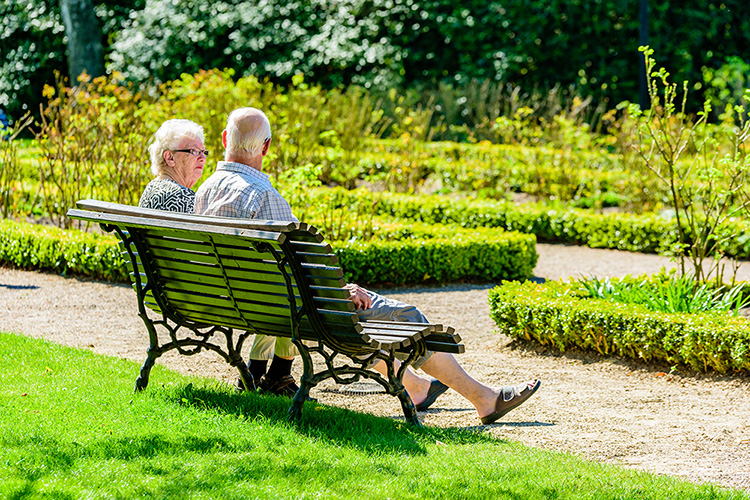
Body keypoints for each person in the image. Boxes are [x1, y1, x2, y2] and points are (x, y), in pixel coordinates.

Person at [195, 107, 541, 425]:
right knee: (404, 317)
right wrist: (342, 291)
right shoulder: (264, 196)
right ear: (266, 147)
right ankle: (485, 399)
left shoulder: (206, 190)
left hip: (238, 303)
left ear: (225, 140)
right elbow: (303, 267)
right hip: (291, 307)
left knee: (353, 319)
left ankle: (417, 388)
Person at [139, 119, 207, 212]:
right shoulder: (182, 197)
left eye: (203, 151)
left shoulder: (151, 188)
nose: (203, 157)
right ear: (170, 158)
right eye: (194, 151)